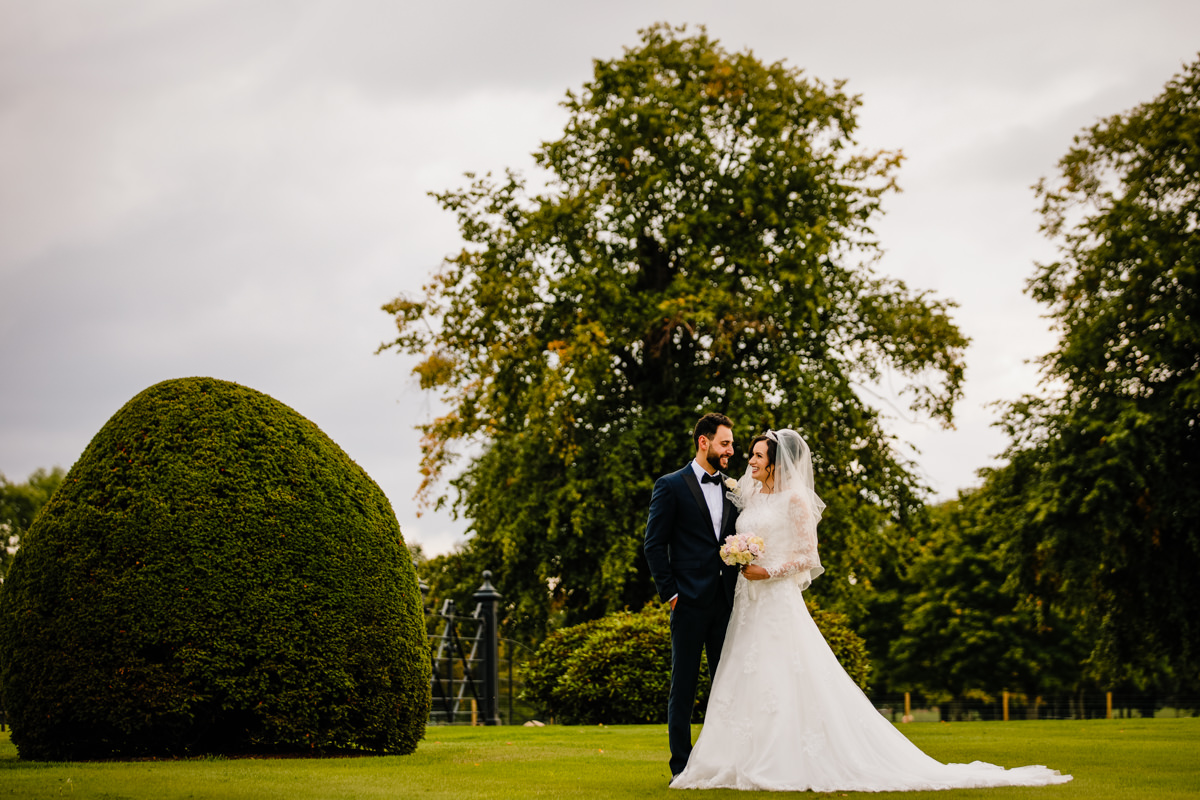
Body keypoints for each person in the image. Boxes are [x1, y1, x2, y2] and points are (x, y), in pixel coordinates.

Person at [670, 429, 1073, 792]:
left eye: (757, 456)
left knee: (783, 675)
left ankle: (783, 760)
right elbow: (715, 511)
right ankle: (735, 759)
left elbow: (809, 555)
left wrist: (768, 569)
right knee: (744, 676)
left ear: (776, 461)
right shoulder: (750, 492)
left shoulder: (795, 499)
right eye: (749, 454)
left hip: (775, 598)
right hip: (745, 602)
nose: (750, 460)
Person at [644, 412, 741, 780]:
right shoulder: (670, 485)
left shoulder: (733, 489)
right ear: (704, 442)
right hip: (687, 602)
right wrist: (670, 594)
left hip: (727, 603)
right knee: (682, 689)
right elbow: (654, 545)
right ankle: (681, 768)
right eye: (725, 443)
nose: (731, 449)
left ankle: (724, 765)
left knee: (727, 687)